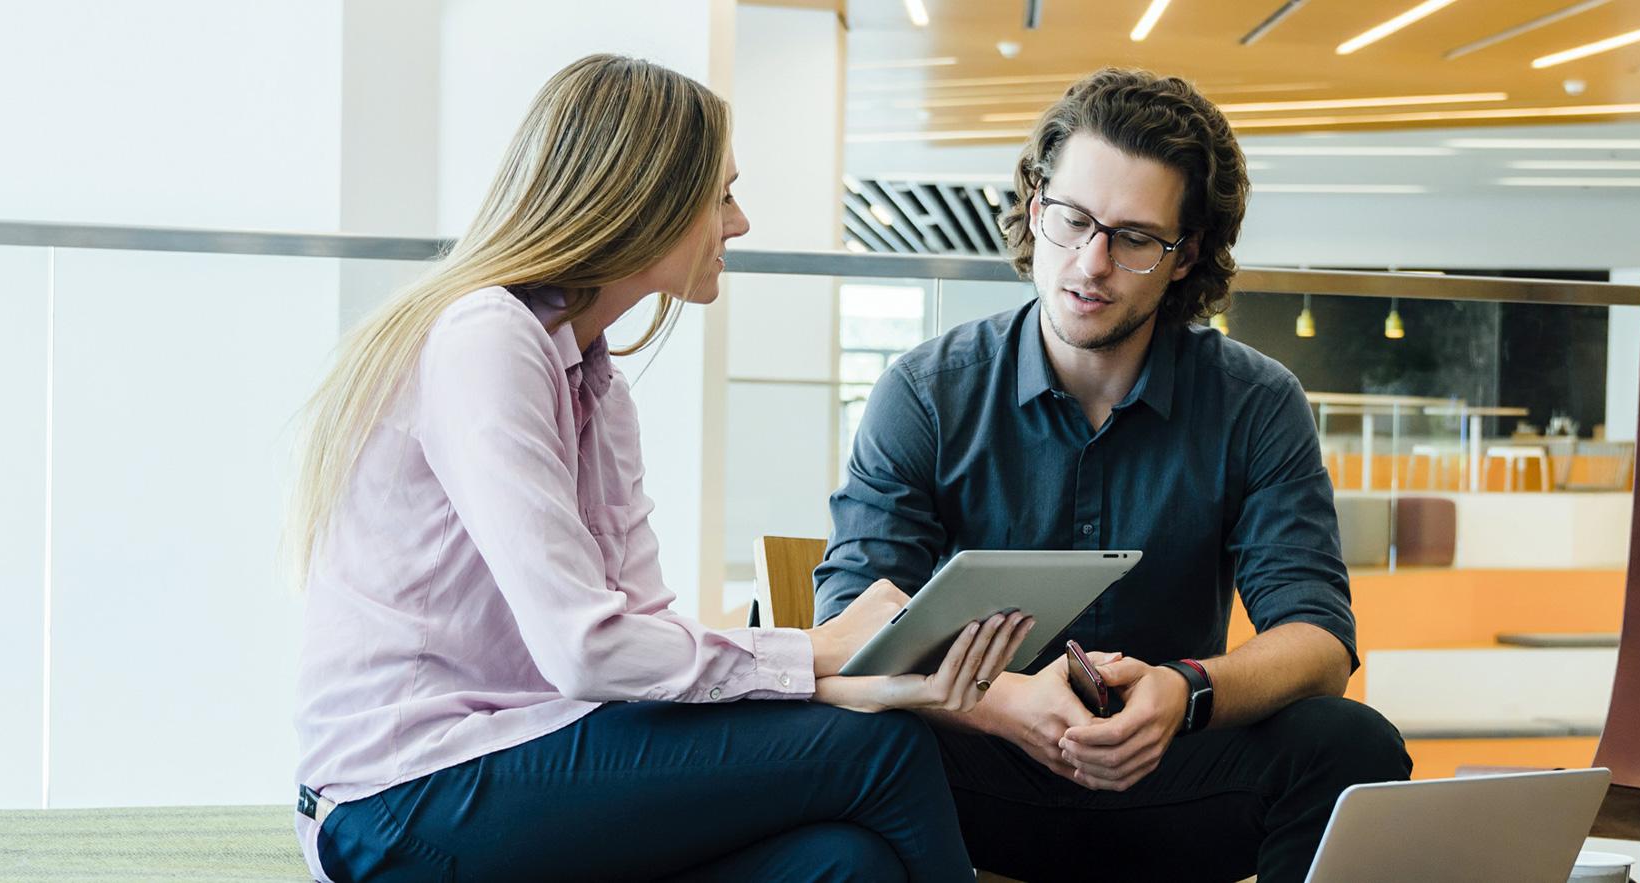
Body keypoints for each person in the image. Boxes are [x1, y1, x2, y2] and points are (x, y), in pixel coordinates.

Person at [288, 54, 1034, 883]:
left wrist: (823, 679)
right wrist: (816, 656)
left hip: (522, 765)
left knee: (842, 863)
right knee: (883, 749)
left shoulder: (595, 385)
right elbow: (587, 649)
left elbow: (640, 628)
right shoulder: (485, 338)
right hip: (400, 803)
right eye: (723, 194)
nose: (740, 222)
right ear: (644, 198)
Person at [813, 68, 1412, 883]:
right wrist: (1007, 702)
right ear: (1036, 210)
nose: (1090, 263)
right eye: (1072, 221)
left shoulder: (1257, 401)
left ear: (1184, 255)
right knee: (851, 736)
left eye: (1133, 237)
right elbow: (852, 635)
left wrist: (1187, 690)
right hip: (972, 779)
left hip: (1171, 773)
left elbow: (1318, 641)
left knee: (1352, 741)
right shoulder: (926, 392)